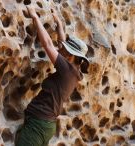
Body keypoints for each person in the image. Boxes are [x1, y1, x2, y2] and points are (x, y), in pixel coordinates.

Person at [15, 5, 90, 146]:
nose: (61, 49)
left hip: (37, 125)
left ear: (71, 56)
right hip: (46, 125)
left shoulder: (67, 69)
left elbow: (48, 44)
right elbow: (62, 45)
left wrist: (35, 17)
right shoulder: (74, 71)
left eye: (65, 50)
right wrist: (59, 24)